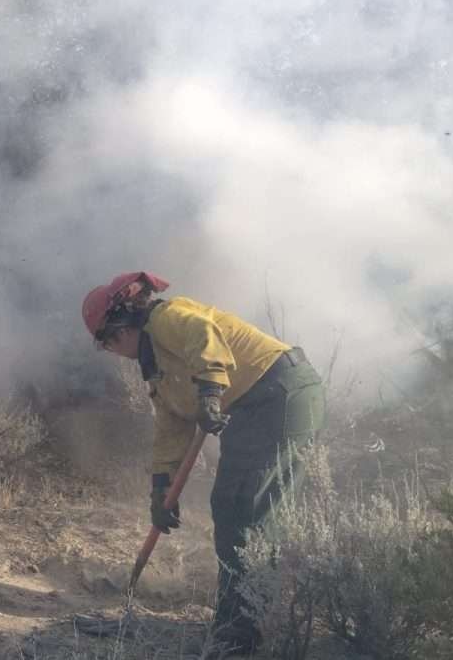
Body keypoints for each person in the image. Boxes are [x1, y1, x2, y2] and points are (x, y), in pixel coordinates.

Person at [82, 272, 325, 656]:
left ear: (121, 327)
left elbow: (203, 335)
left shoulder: (166, 318)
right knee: (242, 510)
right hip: (263, 400)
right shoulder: (156, 363)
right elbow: (172, 424)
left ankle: (239, 636)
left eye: (105, 341)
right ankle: (247, 621)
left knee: (240, 508)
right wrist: (161, 487)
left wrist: (210, 392)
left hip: (275, 393)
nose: (110, 350)